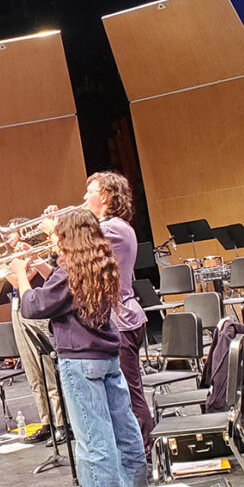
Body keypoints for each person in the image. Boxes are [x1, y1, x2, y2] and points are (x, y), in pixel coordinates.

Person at [11, 210, 147, 487]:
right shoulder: (100, 262)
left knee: (93, 441)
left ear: (70, 236)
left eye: (58, 235)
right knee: (125, 434)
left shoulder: (69, 270)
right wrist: (44, 266)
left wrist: (19, 274)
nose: (53, 241)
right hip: (107, 358)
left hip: (80, 361)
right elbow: (65, 295)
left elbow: (33, 306)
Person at [82, 171, 154, 451]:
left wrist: (57, 228)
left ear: (106, 196)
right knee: (122, 392)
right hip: (117, 320)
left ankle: (143, 448)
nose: (84, 197)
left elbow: (77, 243)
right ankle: (135, 447)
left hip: (122, 321)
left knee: (130, 393)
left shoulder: (112, 227)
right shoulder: (106, 227)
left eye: (91, 191)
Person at [0, 221, 66, 444]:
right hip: (17, 310)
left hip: (37, 310)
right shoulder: (16, 257)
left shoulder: (35, 253)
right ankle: (45, 421)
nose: (8, 239)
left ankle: (61, 423)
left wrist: (12, 266)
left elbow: (23, 281)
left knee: (47, 370)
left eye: (12, 234)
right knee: (31, 371)